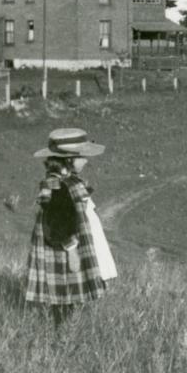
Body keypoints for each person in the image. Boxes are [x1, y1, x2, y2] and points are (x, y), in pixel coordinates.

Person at [24, 127, 116, 324]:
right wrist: (72, 251)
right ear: (68, 160)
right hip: (64, 245)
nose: (86, 160)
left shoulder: (65, 182)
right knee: (65, 290)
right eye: (82, 156)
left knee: (68, 293)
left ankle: (65, 326)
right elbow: (59, 222)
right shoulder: (59, 186)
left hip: (68, 241)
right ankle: (62, 331)